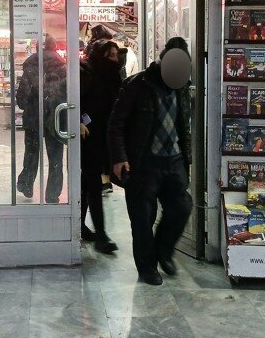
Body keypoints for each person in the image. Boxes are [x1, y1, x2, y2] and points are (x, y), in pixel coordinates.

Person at [107, 36, 193, 285]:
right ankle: (147, 267)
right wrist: (119, 158)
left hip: (174, 161)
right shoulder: (137, 85)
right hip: (143, 162)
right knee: (143, 217)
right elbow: (116, 124)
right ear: (163, 59)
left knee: (181, 207)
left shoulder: (182, 87)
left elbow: (183, 124)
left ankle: (164, 251)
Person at [79, 39, 122, 254]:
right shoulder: (85, 73)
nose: (115, 59)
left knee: (87, 184)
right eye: (111, 55)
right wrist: (79, 120)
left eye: (116, 54)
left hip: (105, 137)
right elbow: (74, 101)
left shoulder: (114, 76)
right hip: (88, 138)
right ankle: (101, 235)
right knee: (93, 183)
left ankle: (79, 226)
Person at [16, 34, 66, 203]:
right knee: (56, 159)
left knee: (31, 153)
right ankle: (52, 194)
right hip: (55, 119)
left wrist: (30, 106)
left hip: (33, 119)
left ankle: (26, 184)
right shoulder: (62, 67)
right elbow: (65, 94)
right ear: (54, 47)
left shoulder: (30, 67)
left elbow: (21, 98)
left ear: (37, 48)